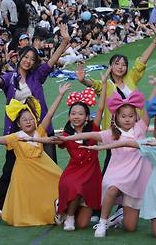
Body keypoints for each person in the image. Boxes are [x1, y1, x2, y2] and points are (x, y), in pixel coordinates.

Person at [0, 24, 71, 222]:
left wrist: (65, 40)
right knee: (9, 171)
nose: (28, 61)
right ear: (20, 57)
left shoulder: (37, 75)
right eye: (26, 57)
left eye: (32, 59)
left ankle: (56, 208)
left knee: (49, 169)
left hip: (41, 130)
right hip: (17, 133)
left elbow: (53, 59)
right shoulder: (10, 78)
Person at [86, 78, 156, 240]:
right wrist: (97, 146)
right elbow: (125, 142)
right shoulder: (149, 142)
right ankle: (104, 221)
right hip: (149, 186)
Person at [0, 86, 68, 226]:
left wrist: (60, 95)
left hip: (43, 171)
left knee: (57, 185)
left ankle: (58, 211)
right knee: (20, 213)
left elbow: (50, 114)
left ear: (35, 120)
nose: (28, 122)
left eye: (31, 119)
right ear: (19, 124)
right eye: (24, 120)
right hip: (24, 176)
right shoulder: (15, 137)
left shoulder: (39, 132)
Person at [60, 89, 150, 238]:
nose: (127, 119)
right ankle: (102, 222)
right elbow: (90, 134)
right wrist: (67, 138)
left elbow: (149, 108)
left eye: (131, 116)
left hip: (135, 180)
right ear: (116, 118)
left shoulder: (140, 129)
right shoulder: (111, 134)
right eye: (123, 116)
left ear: (136, 117)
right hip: (117, 175)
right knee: (112, 189)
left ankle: (118, 217)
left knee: (130, 227)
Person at [76, 24, 156, 131]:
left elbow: (142, 61)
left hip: (134, 129)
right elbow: (93, 84)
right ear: (110, 66)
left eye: (124, 65)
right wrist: (83, 80)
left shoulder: (131, 78)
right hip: (113, 131)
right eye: (117, 64)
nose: (120, 67)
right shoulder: (106, 84)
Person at [51, 83, 105, 231]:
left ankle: (65, 207)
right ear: (69, 116)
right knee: (76, 187)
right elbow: (51, 141)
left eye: (80, 114)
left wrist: (104, 84)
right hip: (73, 173)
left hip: (91, 175)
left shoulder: (93, 129)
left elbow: (101, 108)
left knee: (82, 225)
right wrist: (60, 95)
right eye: (73, 113)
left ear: (87, 117)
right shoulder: (66, 134)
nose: (76, 116)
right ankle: (69, 216)